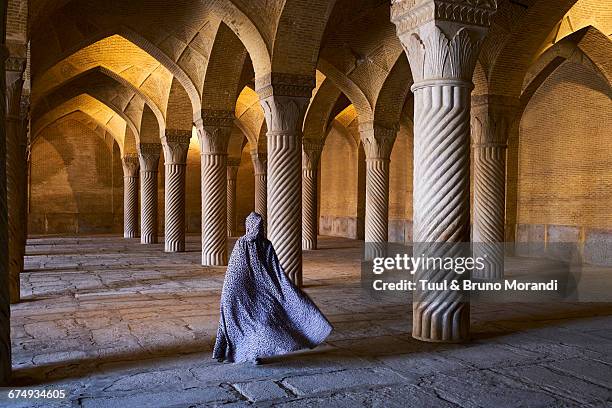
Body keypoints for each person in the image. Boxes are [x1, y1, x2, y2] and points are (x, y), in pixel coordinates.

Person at [213, 212, 333, 364]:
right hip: (242, 291)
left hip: (264, 289)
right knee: (238, 322)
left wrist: (283, 287)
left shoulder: (265, 244)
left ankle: (254, 351)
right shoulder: (242, 244)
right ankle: (239, 352)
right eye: (255, 226)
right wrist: (231, 293)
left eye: (259, 226)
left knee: (261, 319)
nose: (257, 229)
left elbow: (275, 269)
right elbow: (236, 272)